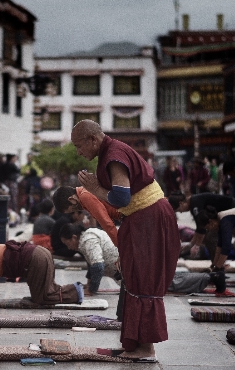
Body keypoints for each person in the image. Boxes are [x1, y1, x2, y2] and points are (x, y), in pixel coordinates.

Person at [70, 120, 180, 361]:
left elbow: (120, 196)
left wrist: (95, 189)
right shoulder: (110, 151)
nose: (79, 152)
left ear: (93, 139)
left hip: (149, 218)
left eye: (79, 146)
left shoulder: (114, 154)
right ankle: (135, 345)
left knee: (144, 279)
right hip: (141, 218)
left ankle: (146, 348)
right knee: (134, 278)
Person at [60, 221, 227, 297]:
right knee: (167, 279)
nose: (68, 247)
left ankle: (211, 278)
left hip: (135, 264)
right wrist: (89, 284)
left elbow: (97, 265)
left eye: (67, 243)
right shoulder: (87, 239)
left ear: (74, 237)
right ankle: (208, 277)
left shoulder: (87, 239)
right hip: (133, 263)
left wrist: (92, 290)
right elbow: (92, 265)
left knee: (169, 283)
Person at [168, 191, 235, 259]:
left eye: (179, 210)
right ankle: (217, 265)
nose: (181, 212)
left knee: (211, 237)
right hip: (224, 213)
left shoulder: (195, 205)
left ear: (181, 203)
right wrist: (191, 244)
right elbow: (199, 228)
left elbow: (201, 229)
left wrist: (196, 246)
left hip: (232, 208)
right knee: (210, 237)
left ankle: (218, 265)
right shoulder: (194, 204)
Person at [52, 185, 120, 244]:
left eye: (73, 209)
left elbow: (107, 223)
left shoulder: (84, 197)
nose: (76, 210)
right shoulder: (83, 193)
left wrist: (119, 246)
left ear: (71, 199)